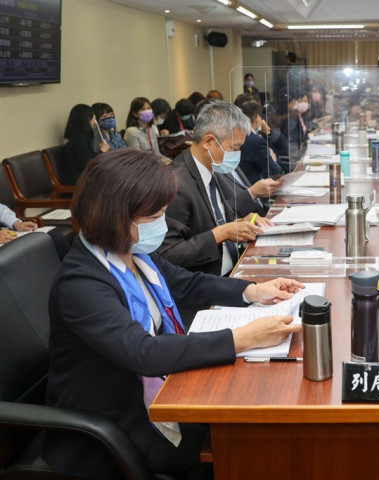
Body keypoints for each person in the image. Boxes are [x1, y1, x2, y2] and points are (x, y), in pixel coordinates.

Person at [42, 149, 304, 479]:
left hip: (157, 393)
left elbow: (185, 282)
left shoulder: (131, 251)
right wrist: (242, 338)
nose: (163, 224)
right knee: (246, 442)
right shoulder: (80, 283)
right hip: (115, 424)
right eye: (154, 216)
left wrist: (252, 291)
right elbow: (144, 353)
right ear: (116, 217)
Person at [160, 100, 269, 279]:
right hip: (206, 282)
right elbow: (169, 254)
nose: (237, 155)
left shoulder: (212, 166)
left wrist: (240, 222)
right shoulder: (175, 183)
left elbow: (207, 221)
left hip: (235, 269)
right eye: (234, 148)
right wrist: (223, 232)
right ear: (209, 141)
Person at [234, 98, 283, 184]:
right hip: (257, 189)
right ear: (257, 118)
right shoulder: (256, 141)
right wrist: (273, 158)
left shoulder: (237, 135)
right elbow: (275, 170)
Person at [62, 104, 109, 185]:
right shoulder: (78, 139)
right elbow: (87, 165)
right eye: (94, 119)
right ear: (88, 119)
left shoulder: (81, 137)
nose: (94, 123)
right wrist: (102, 151)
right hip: (80, 181)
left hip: (86, 178)